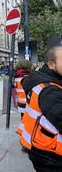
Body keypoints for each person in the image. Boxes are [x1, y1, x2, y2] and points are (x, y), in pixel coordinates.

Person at [20, 36, 62, 172]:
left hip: (39, 146)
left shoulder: (43, 80)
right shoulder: (49, 89)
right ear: (51, 64)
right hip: (49, 156)